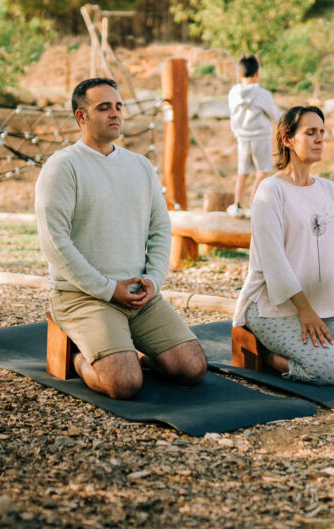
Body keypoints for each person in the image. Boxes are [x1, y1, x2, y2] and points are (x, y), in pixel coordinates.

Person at [35, 77, 207, 399]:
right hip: (84, 296)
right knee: (125, 384)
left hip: (138, 294)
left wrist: (154, 281)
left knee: (193, 369)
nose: (115, 113)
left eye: (118, 106)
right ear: (81, 117)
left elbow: (160, 229)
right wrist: (106, 288)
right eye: (104, 108)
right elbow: (54, 243)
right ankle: (78, 360)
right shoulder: (62, 167)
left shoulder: (140, 166)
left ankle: (123, 349)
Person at [232, 106, 334, 385]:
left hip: (326, 302)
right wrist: (305, 310)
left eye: (322, 133)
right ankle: (265, 356)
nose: (319, 139)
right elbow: (274, 262)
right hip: (274, 306)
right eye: (310, 132)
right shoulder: (270, 190)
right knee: (328, 371)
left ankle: (324, 348)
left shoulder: (327, 188)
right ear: (287, 140)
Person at [226, 54, 282, 218]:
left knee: (242, 173)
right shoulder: (263, 94)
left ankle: (236, 205)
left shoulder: (234, 93)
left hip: (242, 138)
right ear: (257, 74)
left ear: (239, 75)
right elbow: (276, 115)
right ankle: (252, 206)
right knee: (263, 171)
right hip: (261, 138)